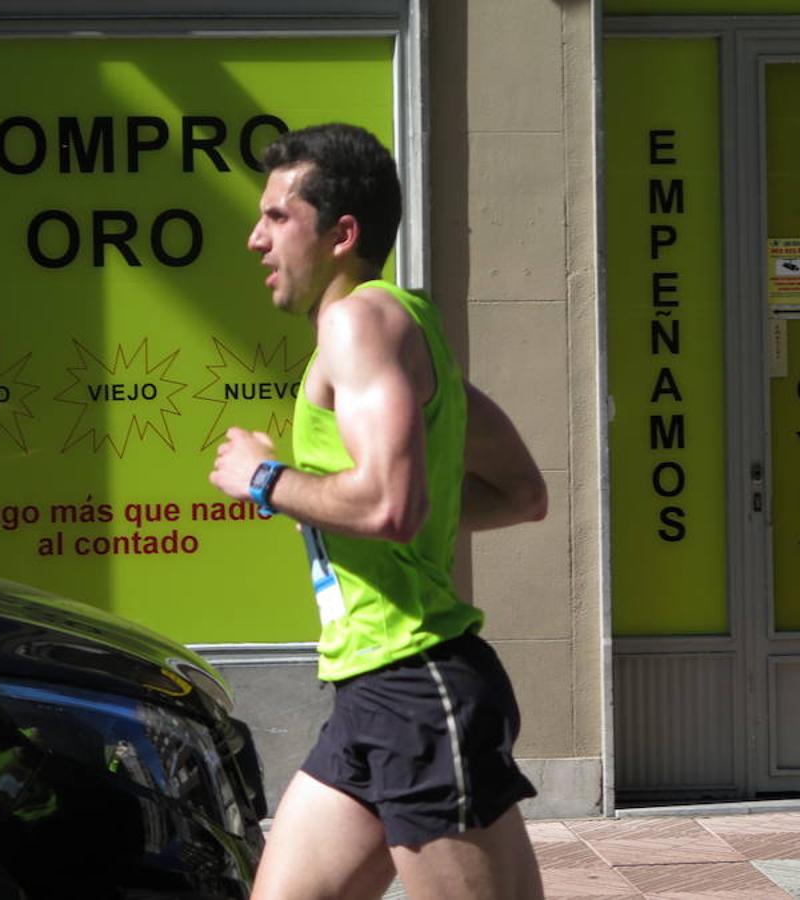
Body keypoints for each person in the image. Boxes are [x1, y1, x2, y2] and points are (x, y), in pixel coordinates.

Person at [209, 123, 547, 900]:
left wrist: (266, 480)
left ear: (342, 234)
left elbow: (391, 505)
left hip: (416, 687)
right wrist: (406, 511)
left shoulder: (359, 323)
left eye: (276, 217)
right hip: (370, 687)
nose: (255, 238)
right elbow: (521, 494)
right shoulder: (406, 328)